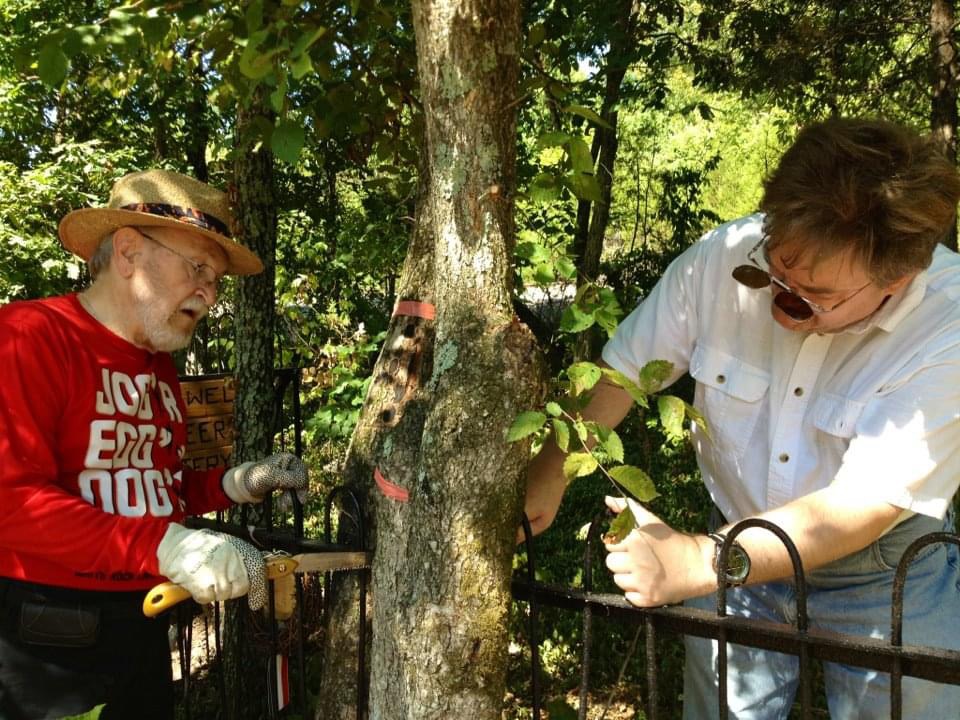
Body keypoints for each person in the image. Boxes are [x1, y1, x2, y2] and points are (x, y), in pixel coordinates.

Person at [523, 118, 960, 718]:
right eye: (772, 272)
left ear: (898, 279)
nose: (780, 305)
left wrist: (694, 562)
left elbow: (863, 505)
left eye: (811, 298)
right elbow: (622, 371)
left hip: (882, 571)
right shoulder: (722, 257)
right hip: (732, 534)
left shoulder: (947, 325)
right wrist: (549, 470)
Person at [0, 169, 308, 720]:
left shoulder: (157, 365)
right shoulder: (28, 336)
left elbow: (151, 488)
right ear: (127, 252)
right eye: (198, 268)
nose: (209, 294)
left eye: (216, 279)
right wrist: (168, 548)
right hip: (45, 642)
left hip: (143, 623)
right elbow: (11, 502)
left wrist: (234, 485)